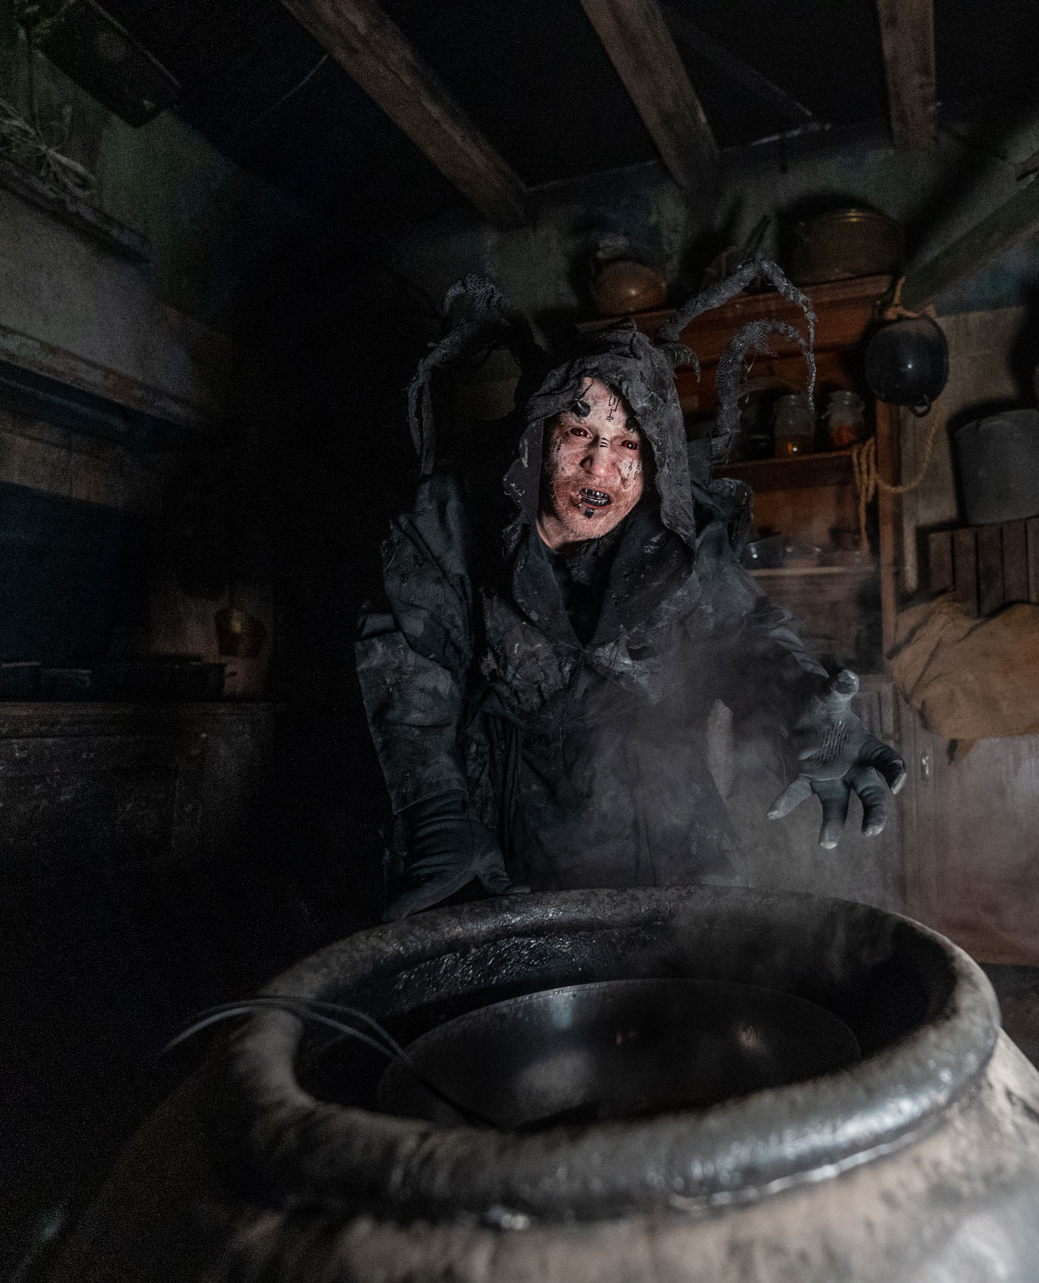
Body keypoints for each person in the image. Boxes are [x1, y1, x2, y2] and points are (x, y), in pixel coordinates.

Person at [354, 266, 905, 919]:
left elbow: (743, 636)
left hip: (670, 818)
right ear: (538, 436)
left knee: (691, 970)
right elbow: (410, 663)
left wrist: (804, 704)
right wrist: (435, 808)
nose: (601, 465)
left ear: (655, 459)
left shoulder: (679, 543)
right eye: (579, 432)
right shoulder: (454, 526)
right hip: (507, 820)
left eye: (628, 443)